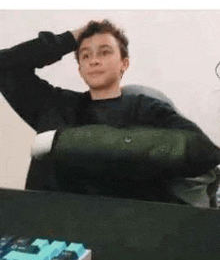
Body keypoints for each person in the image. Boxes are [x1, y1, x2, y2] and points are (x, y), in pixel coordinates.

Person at [0, 20, 220, 206]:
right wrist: (69, 39)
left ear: (124, 64)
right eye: (85, 56)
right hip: (49, 231)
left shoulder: (146, 109)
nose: (94, 60)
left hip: (119, 232)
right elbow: (4, 66)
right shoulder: (56, 105)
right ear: (80, 69)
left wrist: (67, 141)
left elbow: (201, 151)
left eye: (104, 52)